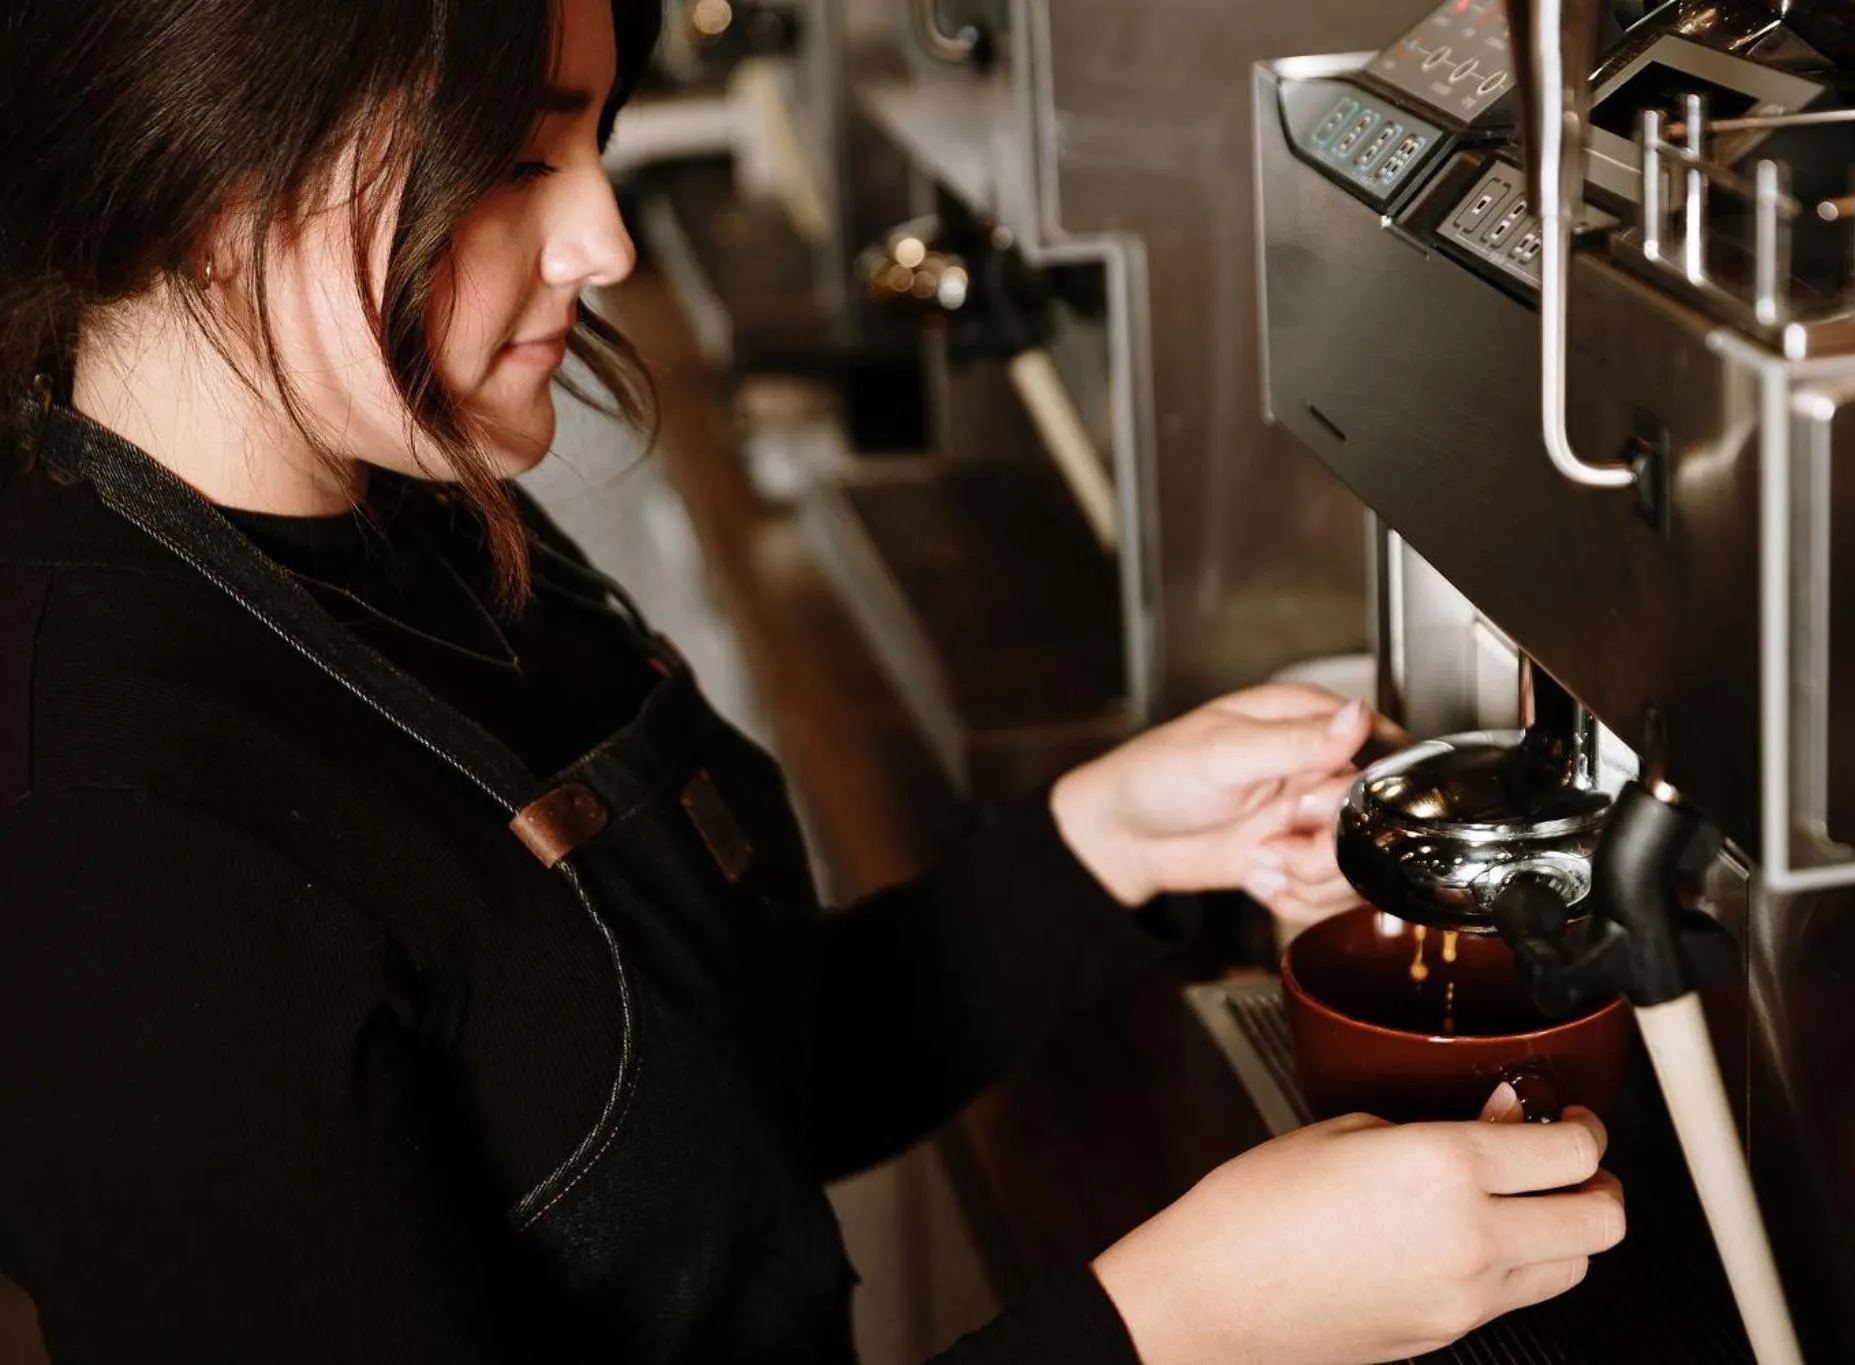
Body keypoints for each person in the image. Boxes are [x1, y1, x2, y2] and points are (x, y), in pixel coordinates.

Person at [0, 0, 1625, 1361]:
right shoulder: (107, 847)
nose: (603, 237)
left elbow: (718, 1107)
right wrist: (1179, 1322)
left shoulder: (400, 507)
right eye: (513, 158)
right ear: (214, 167)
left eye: (593, 137)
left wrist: (1092, 853)